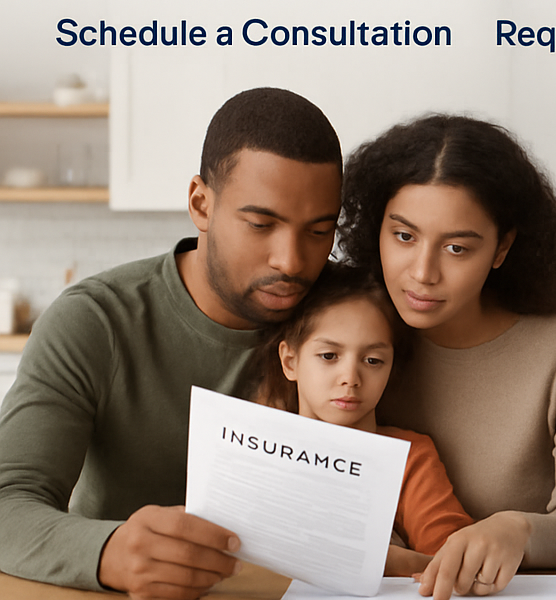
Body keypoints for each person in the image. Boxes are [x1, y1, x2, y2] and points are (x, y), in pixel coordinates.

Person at [0, 87, 344, 599]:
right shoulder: (95, 320)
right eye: (260, 224)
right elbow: (8, 501)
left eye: (319, 231)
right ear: (201, 204)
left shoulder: (352, 317)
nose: (291, 261)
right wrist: (109, 549)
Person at [339, 114, 556, 600]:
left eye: (456, 248)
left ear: (502, 247)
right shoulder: (347, 329)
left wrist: (518, 531)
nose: (423, 273)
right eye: (404, 237)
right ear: (376, 228)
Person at [254, 261, 474, 570]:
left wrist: (381, 562)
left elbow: (454, 561)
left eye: (372, 360)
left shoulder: (409, 458)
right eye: (329, 356)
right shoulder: (256, 449)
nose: (350, 378)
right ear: (290, 361)